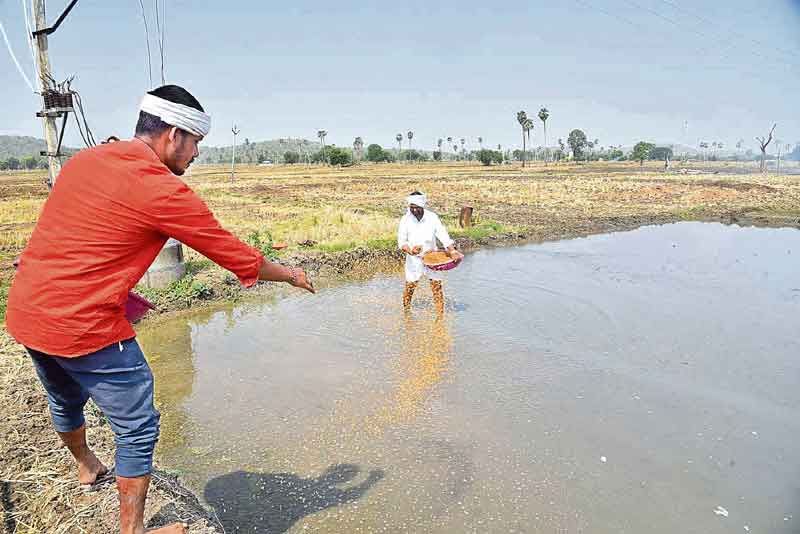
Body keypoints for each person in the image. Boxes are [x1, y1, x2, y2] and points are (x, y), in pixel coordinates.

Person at [5, 84, 314, 534]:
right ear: (173, 135)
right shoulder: (163, 190)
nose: (196, 155)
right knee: (139, 425)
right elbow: (229, 251)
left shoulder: (85, 160)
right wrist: (288, 274)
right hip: (82, 323)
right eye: (196, 144)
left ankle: (86, 465)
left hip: (29, 310)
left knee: (63, 395)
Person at [396, 191, 463, 315]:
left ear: (422, 206)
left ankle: (440, 317)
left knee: (436, 286)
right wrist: (410, 251)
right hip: (414, 259)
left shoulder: (432, 217)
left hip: (433, 257)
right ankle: (406, 313)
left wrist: (452, 251)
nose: (414, 210)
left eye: (417, 207)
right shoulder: (405, 220)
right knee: (410, 286)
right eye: (412, 207)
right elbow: (401, 242)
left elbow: (443, 235)